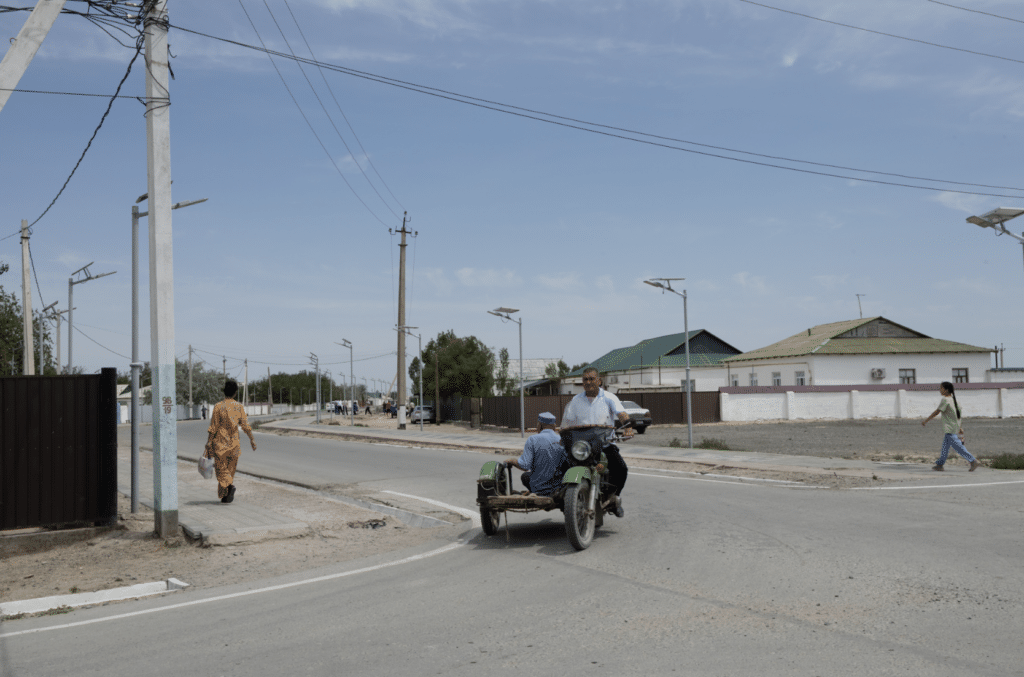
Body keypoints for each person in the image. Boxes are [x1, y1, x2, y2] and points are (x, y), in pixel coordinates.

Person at [561, 367, 631, 516]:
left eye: (591, 379)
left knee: (621, 469)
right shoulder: (576, 400)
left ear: (599, 381)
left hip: (604, 445)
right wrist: (562, 433)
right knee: (561, 464)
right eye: (585, 379)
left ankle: (614, 498)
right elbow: (568, 421)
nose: (588, 382)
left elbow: (621, 413)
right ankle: (565, 498)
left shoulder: (609, 398)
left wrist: (627, 426)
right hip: (582, 447)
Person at [203, 380, 257, 503]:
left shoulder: (218, 406)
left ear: (224, 391)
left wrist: (209, 442)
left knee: (221, 472)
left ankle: (230, 488)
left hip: (220, 445)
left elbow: (213, 427)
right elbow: (245, 425)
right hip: (234, 445)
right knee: (230, 472)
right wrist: (252, 439)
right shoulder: (239, 407)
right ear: (235, 393)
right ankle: (225, 497)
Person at [922, 381, 980, 472]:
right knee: (945, 447)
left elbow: (937, 411)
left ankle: (973, 461)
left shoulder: (945, 400)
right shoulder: (955, 400)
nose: (940, 390)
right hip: (953, 427)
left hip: (950, 428)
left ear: (946, 390)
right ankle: (940, 465)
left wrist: (926, 420)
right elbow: (958, 415)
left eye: (941, 388)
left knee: (958, 447)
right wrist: (960, 427)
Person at [506, 413, 567, 496]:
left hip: (539, 487)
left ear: (540, 425)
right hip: (557, 487)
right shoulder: (561, 440)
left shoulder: (532, 439)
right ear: (554, 426)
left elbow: (524, 466)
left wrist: (512, 461)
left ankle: (534, 492)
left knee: (525, 476)